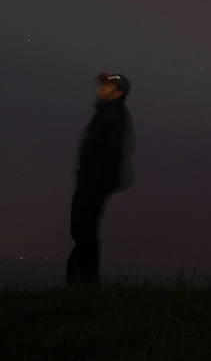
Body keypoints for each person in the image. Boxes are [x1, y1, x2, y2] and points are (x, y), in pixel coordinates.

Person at [66, 71, 134, 286]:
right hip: (92, 180)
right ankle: (83, 281)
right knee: (83, 230)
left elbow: (111, 151)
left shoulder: (112, 114)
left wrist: (95, 178)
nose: (101, 89)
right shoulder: (107, 112)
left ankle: (81, 281)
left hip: (94, 182)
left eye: (108, 87)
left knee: (83, 230)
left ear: (119, 92)